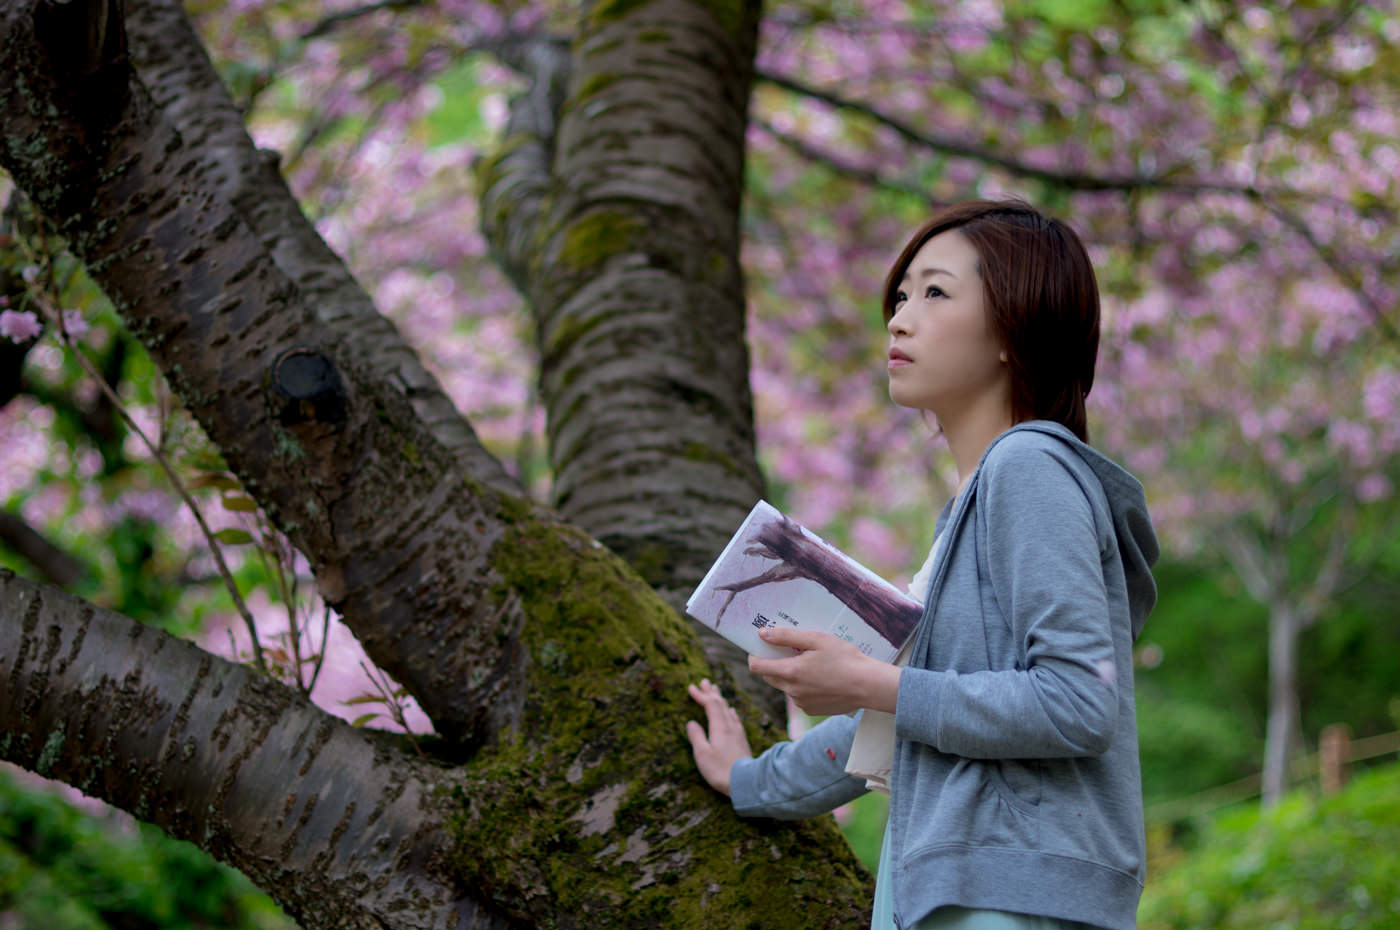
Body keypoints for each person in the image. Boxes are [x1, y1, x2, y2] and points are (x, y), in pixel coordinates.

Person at [684, 199, 1159, 930]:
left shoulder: (1029, 467)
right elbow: (899, 720)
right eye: (901, 297)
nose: (899, 318)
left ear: (1014, 324)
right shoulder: (971, 512)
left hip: (1012, 898)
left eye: (935, 292)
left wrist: (872, 682)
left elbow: (1077, 703)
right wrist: (750, 781)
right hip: (958, 892)